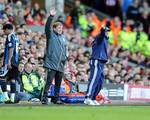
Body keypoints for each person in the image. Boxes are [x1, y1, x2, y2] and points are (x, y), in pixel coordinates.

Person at [41, 9, 68, 104]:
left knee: (58, 83)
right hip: (51, 63)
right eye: (59, 27)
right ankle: (44, 98)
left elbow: (65, 50)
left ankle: (56, 99)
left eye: (61, 27)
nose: (61, 29)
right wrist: (51, 16)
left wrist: (65, 60)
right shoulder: (51, 35)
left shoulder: (63, 38)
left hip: (60, 64)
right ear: (54, 28)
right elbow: (47, 27)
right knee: (48, 82)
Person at [84, 22, 110, 105]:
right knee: (94, 79)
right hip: (96, 60)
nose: (108, 33)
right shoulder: (100, 37)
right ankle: (88, 97)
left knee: (100, 81)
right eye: (107, 31)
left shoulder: (104, 39)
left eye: (108, 31)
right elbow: (102, 33)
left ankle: (93, 97)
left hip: (101, 61)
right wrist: (103, 28)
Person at [1, 23, 20, 103]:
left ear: (8, 29)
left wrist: (8, 61)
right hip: (16, 61)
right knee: (12, 79)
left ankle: (5, 97)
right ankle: (12, 99)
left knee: (1, 78)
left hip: (9, 61)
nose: (4, 32)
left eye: (4, 30)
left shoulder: (10, 36)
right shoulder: (16, 37)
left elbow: (11, 48)